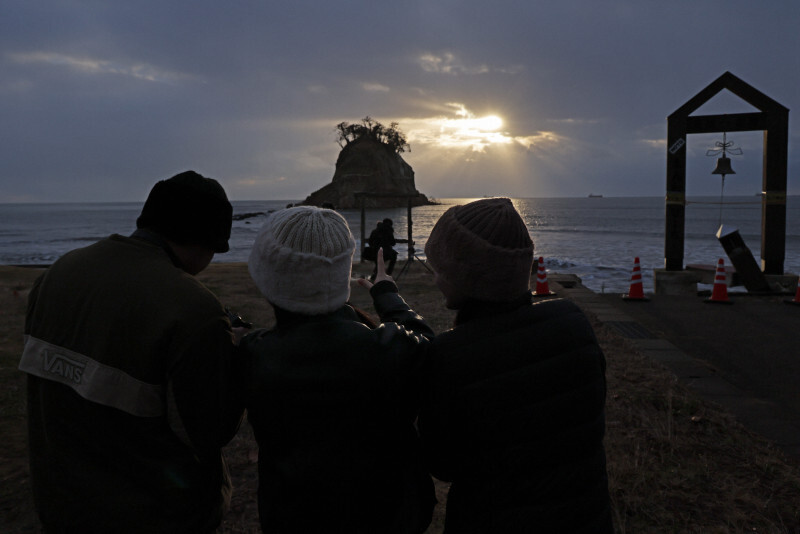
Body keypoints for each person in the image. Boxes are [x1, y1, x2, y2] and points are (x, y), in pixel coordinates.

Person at [19, 171, 245, 533]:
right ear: (207, 243)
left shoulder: (59, 272)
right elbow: (210, 430)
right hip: (153, 515)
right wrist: (229, 354)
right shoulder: (194, 309)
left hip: (61, 504)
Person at [418, 197, 613, 533]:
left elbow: (443, 464)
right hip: (585, 518)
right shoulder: (572, 323)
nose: (435, 279)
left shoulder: (450, 355)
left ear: (467, 277)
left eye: (440, 268)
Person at [241, 206, 435, 533]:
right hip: (390, 515)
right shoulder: (390, 350)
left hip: (293, 517)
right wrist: (386, 294)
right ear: (339, 274)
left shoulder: (254, 355)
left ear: (267, 280)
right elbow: (428, 343)